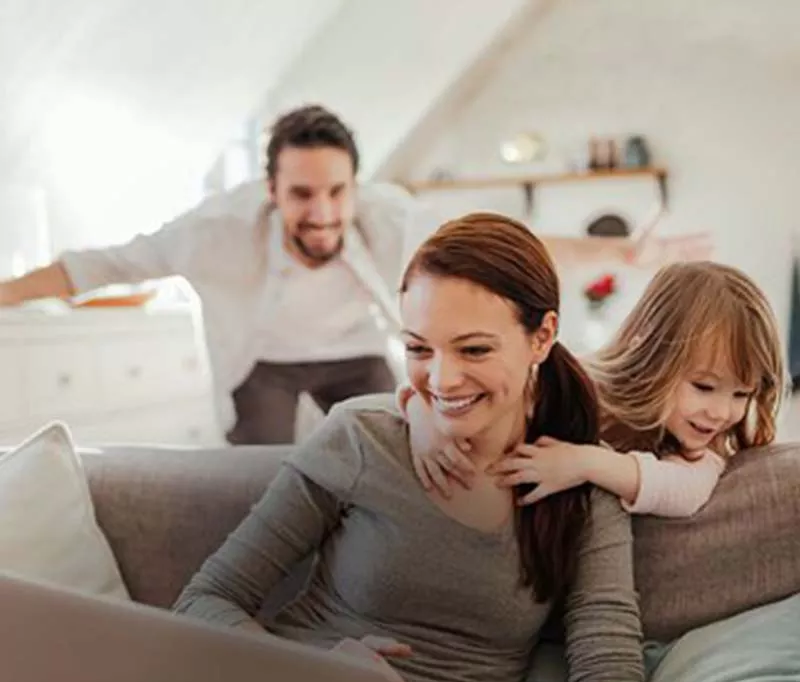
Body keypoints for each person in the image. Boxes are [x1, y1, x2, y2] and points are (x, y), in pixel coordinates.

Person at [173, 212, 643, 682]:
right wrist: (312, 670)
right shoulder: (364, 438)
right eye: (418, 348)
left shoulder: (583, 488)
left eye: (473, 349)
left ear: (542, 338)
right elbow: (206, 600)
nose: (442, 381)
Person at [0, 104, 704, 445]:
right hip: (263, 360)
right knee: (265, 470)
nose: (323, 212)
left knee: (397, 444)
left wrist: (620, 255)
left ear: (354, 186)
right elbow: (94, 266)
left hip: (355, 351)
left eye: (337, 192)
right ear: (271, 191)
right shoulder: (212, 232)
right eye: (303, 195)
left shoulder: (390, 217)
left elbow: (503, 240)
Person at [398, 261, 786, 518]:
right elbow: (439, 389)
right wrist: (425, 423)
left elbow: (688, 491)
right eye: (704, 387)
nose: (721, 412)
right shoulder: (578, 383)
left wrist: (583, 463)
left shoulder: (702, 447)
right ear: (649, 353)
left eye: (742, 394)